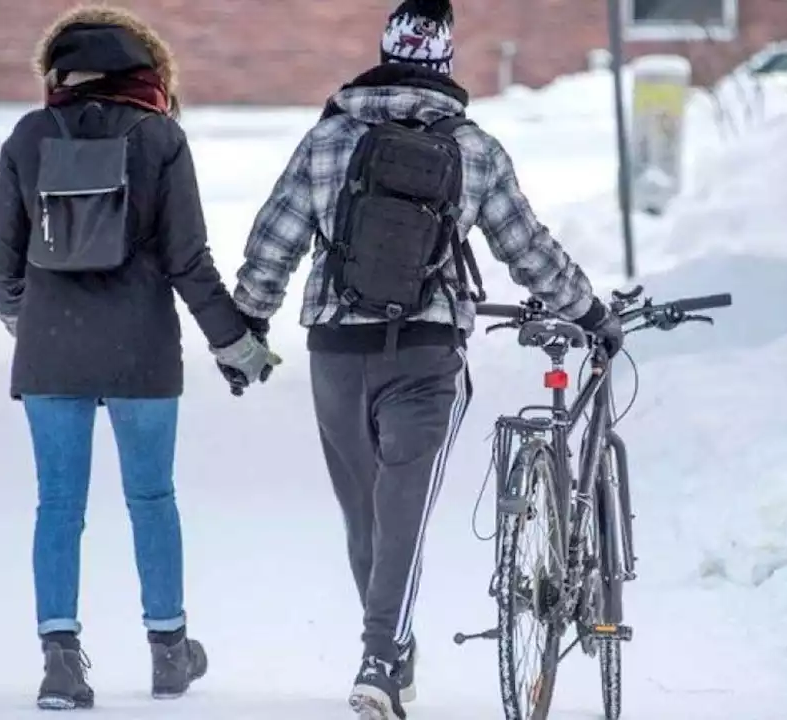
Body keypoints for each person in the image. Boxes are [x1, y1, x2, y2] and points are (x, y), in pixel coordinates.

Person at [228, 1, 622, 718]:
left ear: (382, 52)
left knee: (365, 519)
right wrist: (590, 312)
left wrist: (247, 324)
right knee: (403, 512)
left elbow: (273, 238)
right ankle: (383, 656)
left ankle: (388, 650)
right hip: (427, 350)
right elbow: (527, 250)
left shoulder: (328, 139)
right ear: (444, 63)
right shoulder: (473, 149)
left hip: (336, 352)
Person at [0, 5, 279, 711]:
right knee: (152, 499)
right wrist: (236, 345)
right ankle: (170, 651)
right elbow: (189, 261)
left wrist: (28, 321)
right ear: (144, 70)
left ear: (60, 72)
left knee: (58, 505)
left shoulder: (29, 136)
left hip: (50, 354)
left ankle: (60, 664)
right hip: (142, 349)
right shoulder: (160, 137)